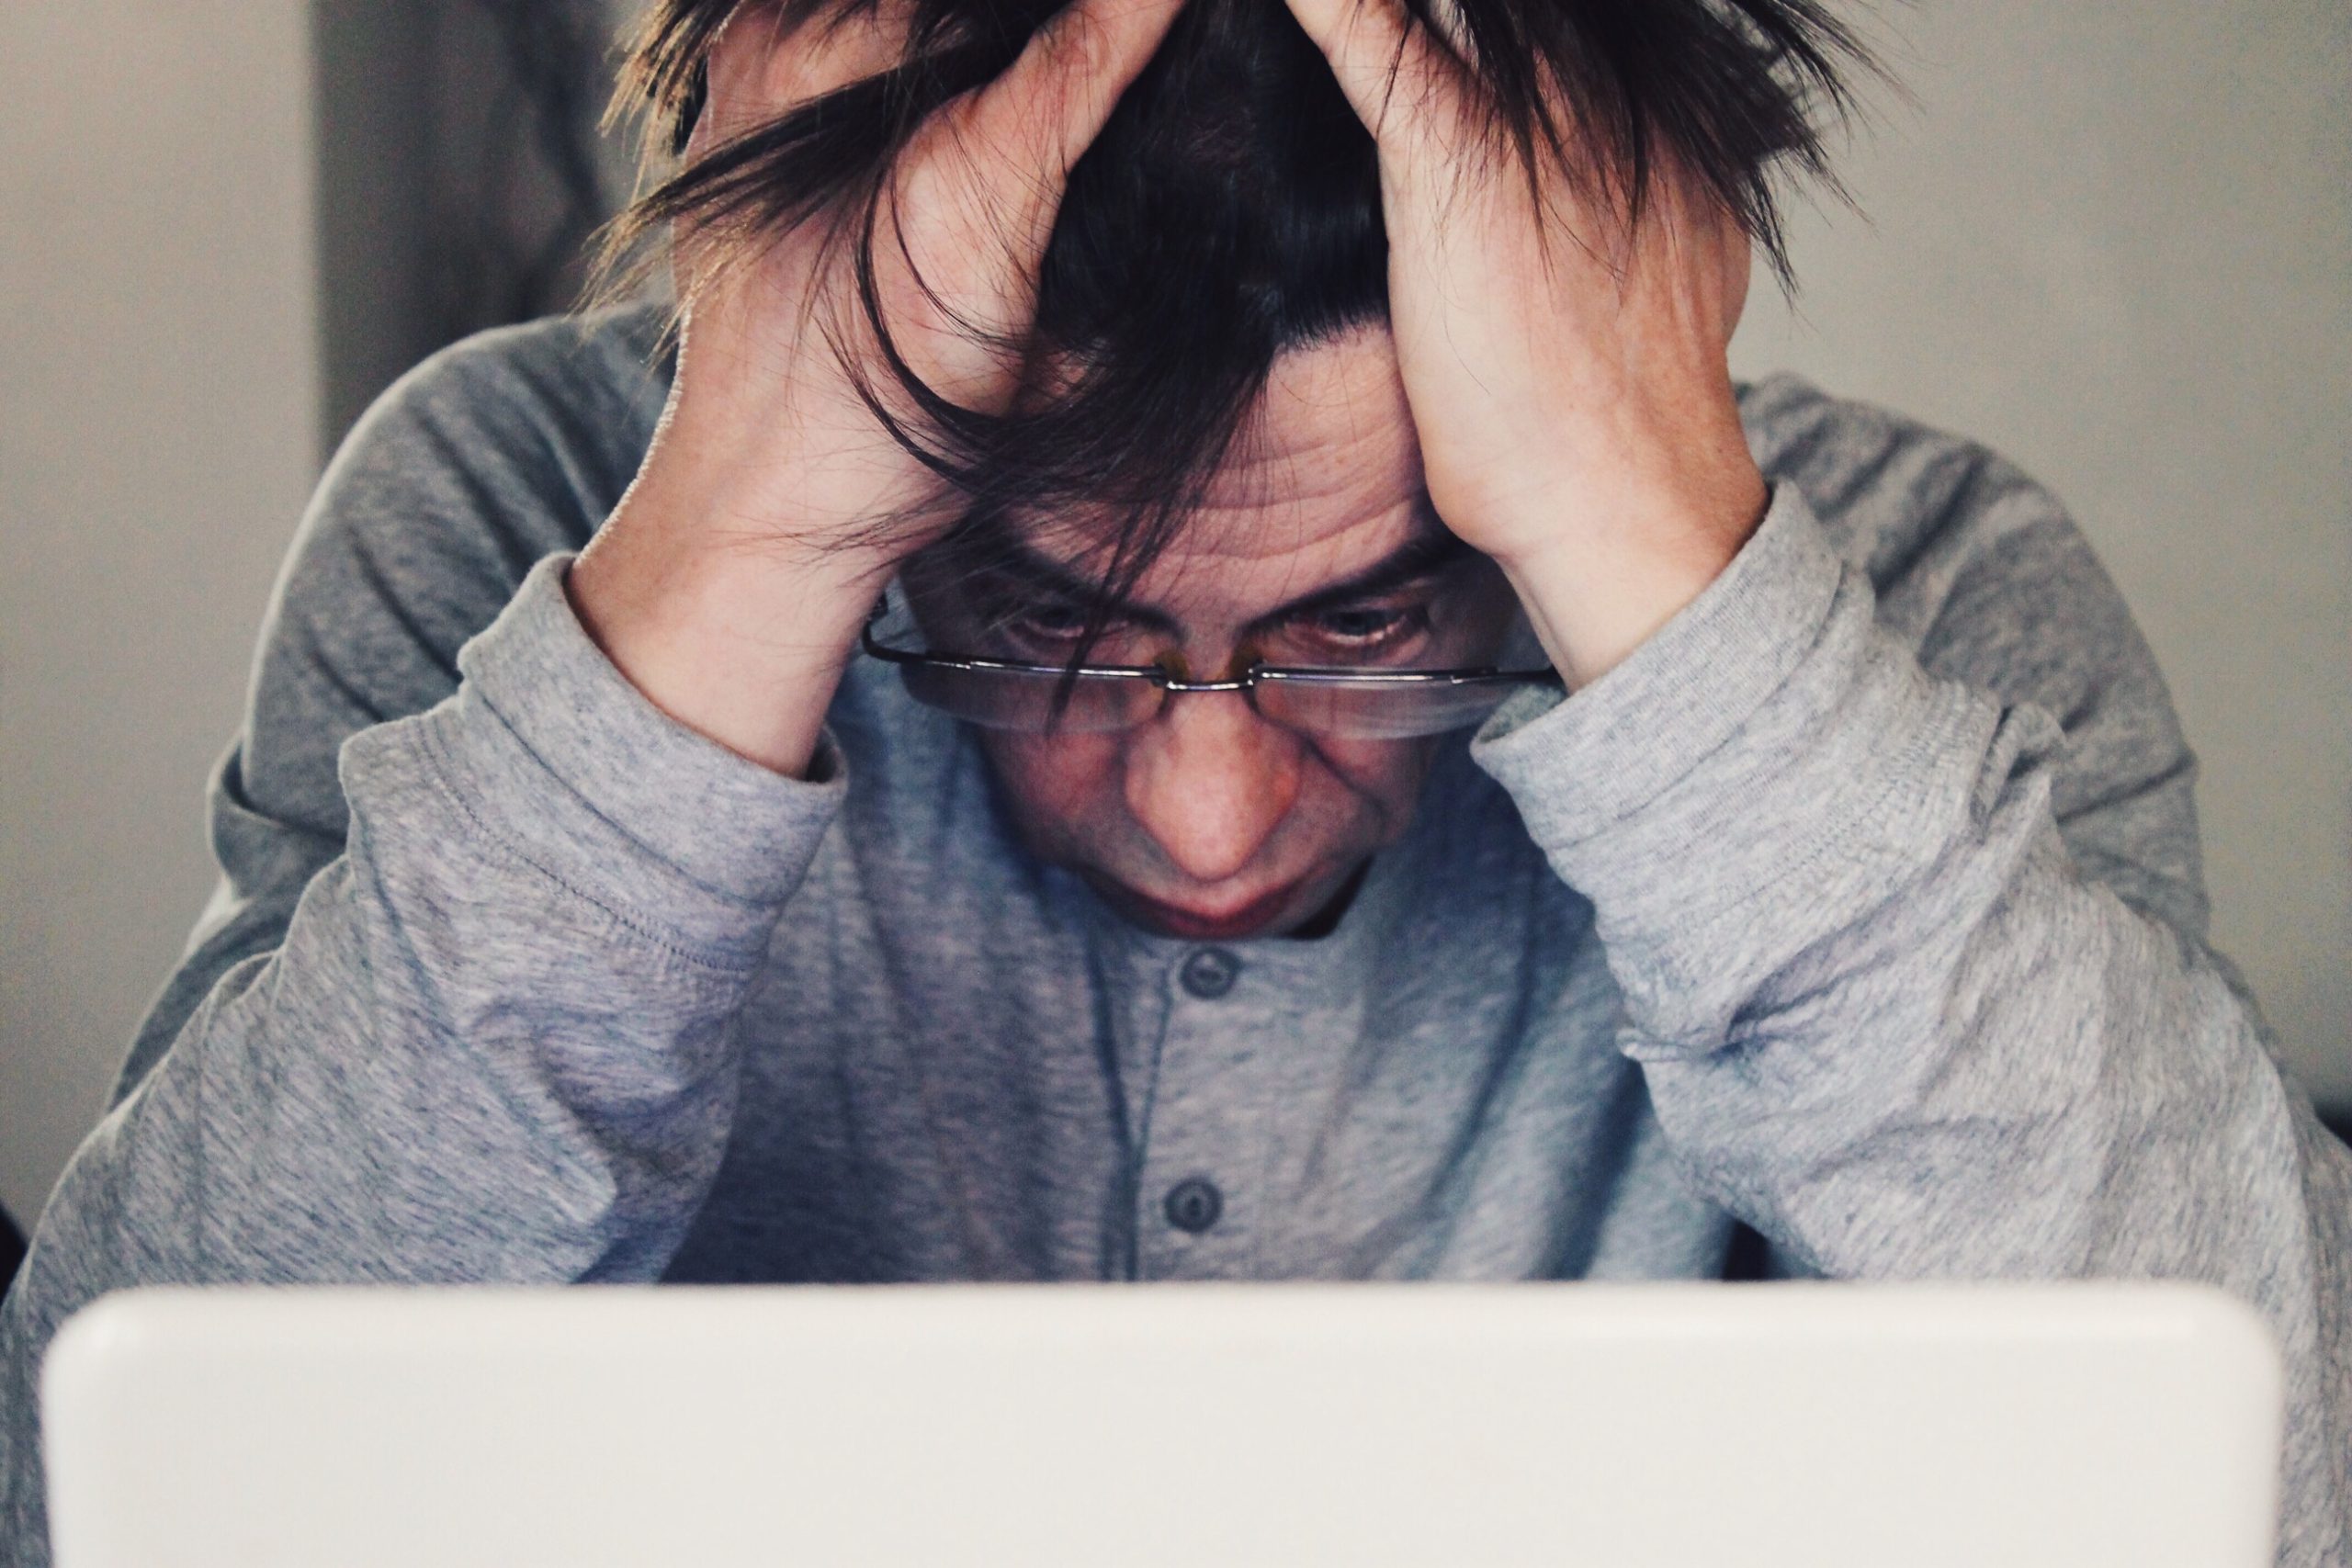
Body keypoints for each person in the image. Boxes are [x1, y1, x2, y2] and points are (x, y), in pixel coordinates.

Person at [4, 0, 2347, 1560]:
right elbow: (83, 1489)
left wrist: (1659, 574)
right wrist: (736, 552)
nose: (1209, 820)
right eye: (1035, 621)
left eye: (1371, 616)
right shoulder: (524, 506)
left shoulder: (1919, 593)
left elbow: (2283, 1480)